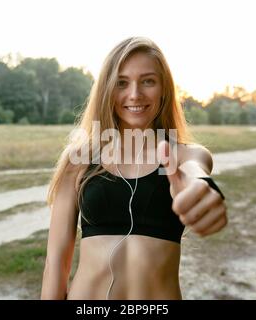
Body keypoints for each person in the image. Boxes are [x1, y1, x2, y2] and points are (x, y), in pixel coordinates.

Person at [41, 36, 228, 300]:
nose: (135, 94)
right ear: (107, 89)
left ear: (164, 88)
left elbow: (197, 174)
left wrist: (201, 189)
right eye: (122, 83)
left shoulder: (183, 155)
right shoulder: (80, 160)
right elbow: (56, 263)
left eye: (148, 81)